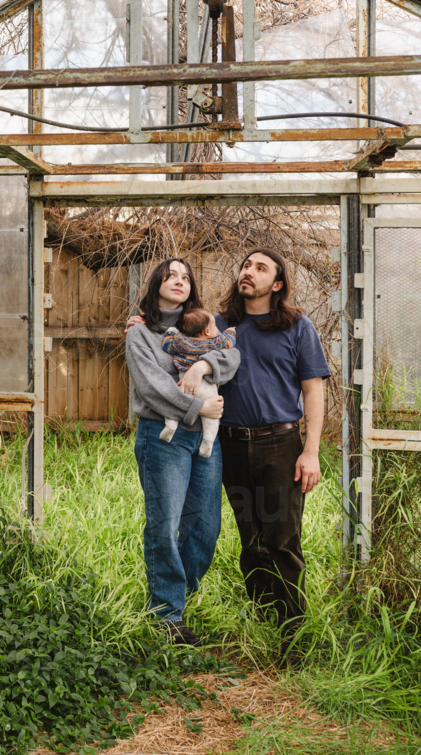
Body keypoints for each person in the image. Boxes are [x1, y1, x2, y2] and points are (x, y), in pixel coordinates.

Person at [215, 248, 330, 662]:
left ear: (276, 284)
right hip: (231, 445)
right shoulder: (221, 325)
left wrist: (311, 451)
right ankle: (261, 621)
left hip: (281, 446)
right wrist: (143, 324)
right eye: (245, 265)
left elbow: (313, 389)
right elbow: (178, 342)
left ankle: (294, 638)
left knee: (281, 539)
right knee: (251, 540)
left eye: (260, 268)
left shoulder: (297, 326)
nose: (248, 271)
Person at [125, 259, 241, 645]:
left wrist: (201, 366)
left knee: (206, 527)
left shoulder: (207, 327)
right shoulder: (140, 331)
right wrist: (197, 408)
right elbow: (150, 385)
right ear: (155, 283)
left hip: (204, 440)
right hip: (163, 437)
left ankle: (180, 595)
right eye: (171, 275)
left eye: (186, 276)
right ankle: (166, 616)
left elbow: (232, 356)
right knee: (164, 524)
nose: (179, 281)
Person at [160, 309, 236, 458]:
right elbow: (229, 343)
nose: (217, 330)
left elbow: (166, 345)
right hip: (207, 387)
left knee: (174, 407)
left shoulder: (181, 341)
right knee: (212, 417)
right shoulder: (215, 342)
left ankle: (170, 426)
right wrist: (231, 331)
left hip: (184, 384)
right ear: (207, 331)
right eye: (215, 326)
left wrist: (171, 331)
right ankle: (208, 441)